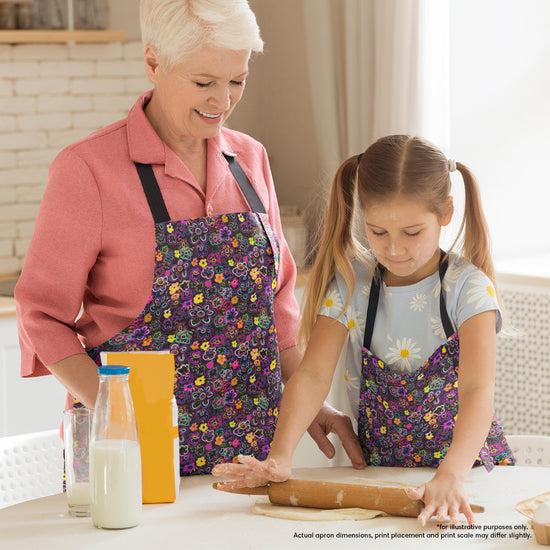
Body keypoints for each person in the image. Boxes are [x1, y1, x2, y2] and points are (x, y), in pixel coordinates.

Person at [15, 0, 362, 476]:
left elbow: (277, 305)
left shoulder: (250, 159)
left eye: (237, 80)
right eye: (204, 83)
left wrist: (306, 402)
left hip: (250, 457)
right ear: (153, 62)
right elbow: (41, 314)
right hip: (131, 451)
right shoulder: (88, 170)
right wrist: (111, 409)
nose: (223, 100)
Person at [212, 134, 515, 523]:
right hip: (384, 481)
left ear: (446, 212)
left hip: (467, 480)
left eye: (412, 232)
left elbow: (478, 391)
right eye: (377, 231)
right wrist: (280, 456)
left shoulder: (468, 290)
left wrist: (451, 475)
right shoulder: (354, 284)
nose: (394, 249)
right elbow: (312, 375)